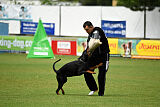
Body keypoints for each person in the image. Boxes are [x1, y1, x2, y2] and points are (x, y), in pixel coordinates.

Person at [82, 21, 110, 96]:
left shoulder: (97, 31)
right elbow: (89, 47)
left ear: (91, 27)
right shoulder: (90, 35)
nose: (86, 32)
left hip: (103, 57)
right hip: (94, 57)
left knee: (101, 75)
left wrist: (88, 50)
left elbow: (95, 42)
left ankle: (101, 93)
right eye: (85, 30)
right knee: (86, 72)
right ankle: (93, 88)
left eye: (87, 30)